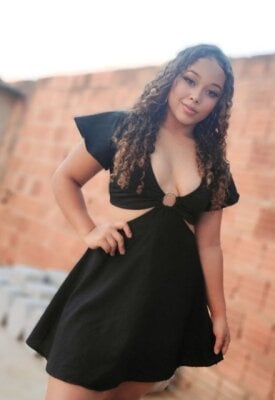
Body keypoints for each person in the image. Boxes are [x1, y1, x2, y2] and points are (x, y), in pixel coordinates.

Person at [25, 43, 240, 400]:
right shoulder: (124, 128)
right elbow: (65, 178)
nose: (196, 96)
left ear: (219, 103)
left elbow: (210, 246)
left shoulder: (214, 166)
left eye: (211, 92)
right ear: (172, 77)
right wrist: (89, 230)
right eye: (190, 80)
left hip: (164, 305)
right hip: (106, 291)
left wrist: (218, 313)